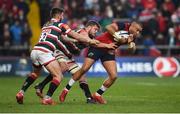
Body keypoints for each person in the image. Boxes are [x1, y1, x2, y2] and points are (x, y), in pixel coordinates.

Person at [15, 7, 99, 105]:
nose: (63, 17)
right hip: (49, 51)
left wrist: (74, 43)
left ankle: (21, 92)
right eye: (62, 15)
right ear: (59, 15)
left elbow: (62, 37)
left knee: (36, 73)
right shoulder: (61, 25)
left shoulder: (46, 25)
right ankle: (47, 98)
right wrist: (89, 41)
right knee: (59, 75)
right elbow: (72, 36)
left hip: (35, 50)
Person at [34, 20, 117, 104]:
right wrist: (107, 45)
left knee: (81, 76)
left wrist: (106, 45)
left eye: (97, 31)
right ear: (89, 27)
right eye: (95, 29)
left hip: (67, 55)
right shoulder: (83, 32)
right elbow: (65, 37)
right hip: (59, 49)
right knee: (62, 69)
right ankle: (43, 89)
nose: (96, 32)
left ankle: (89, 98)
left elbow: (95, 44)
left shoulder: (90, 38)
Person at [59, 21, 142, 104]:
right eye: (137, 30)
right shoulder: (123, 25)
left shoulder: (133, 36)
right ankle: (66, 89)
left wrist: (131, 45)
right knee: (84, 69)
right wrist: (118, 37)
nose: (138, 33)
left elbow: (131, 51)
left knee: (114, 76)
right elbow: (108, 27)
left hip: (109, 51)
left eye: (139, 31)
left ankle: (98, 95)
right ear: (133, 25)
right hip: (97, 46)